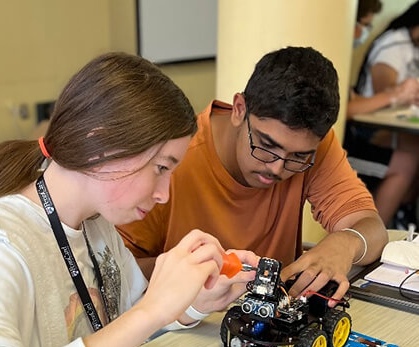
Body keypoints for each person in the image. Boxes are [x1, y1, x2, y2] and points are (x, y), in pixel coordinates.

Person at [0, 52, 259, 347]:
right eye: (161, 168)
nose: (164, 194)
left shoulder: (97, 224)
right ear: (100, 144)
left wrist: (190, 305)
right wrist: (153, 310)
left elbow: (127, 335)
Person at [118, 47, 388, 304]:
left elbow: (371, 227)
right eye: (266, 146)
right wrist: (193, 270)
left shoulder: (312, 147)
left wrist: (346, 242)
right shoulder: (174, 159)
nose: (277, 169)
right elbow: (114, 276)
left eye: (297, 157)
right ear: (239, 110)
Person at [346, 0, 419, 228]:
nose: (363, 33)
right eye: (363, 25)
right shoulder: (394, 44)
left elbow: (352, 98)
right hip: (361, 134)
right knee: (408, 157)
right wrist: (397, 94)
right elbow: (351, 108)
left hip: (368, 127)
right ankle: (377, 232)